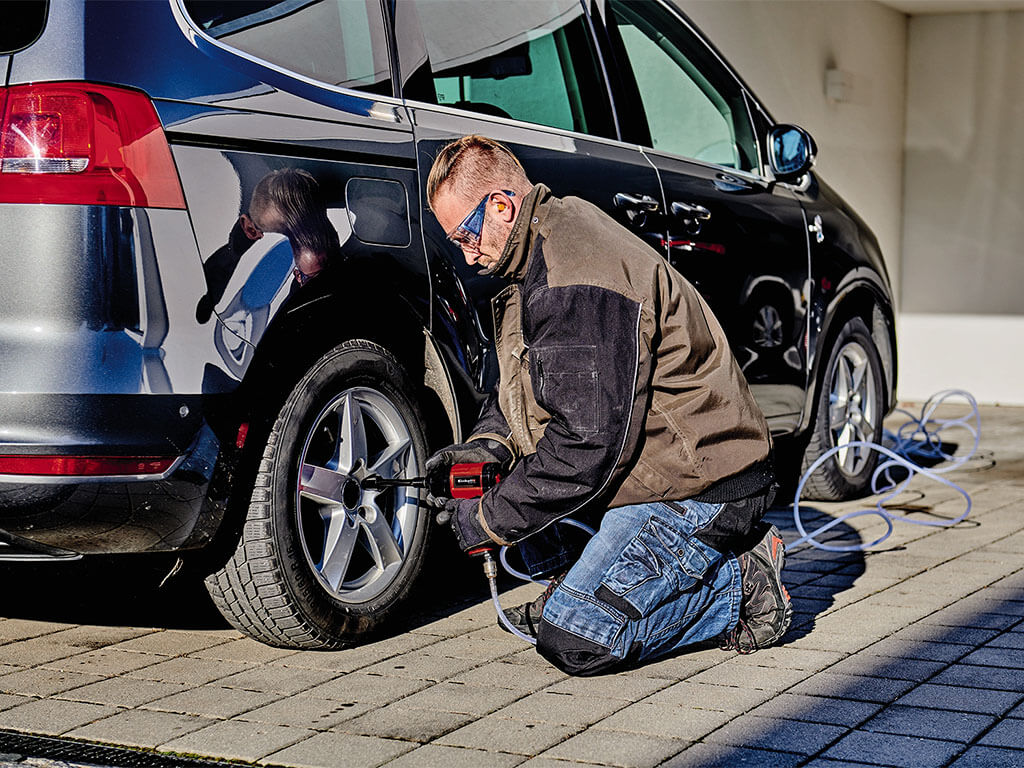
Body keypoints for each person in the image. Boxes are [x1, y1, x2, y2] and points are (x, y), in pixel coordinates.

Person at [426, 135, 791, 676]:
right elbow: (520, 392)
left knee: (575, 636)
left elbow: (586, 446)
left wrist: (487, 519)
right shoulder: (537, 251)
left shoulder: (575, 276)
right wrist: (485, 451)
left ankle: (741, 584)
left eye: (466, 235)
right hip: (651, 471)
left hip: (704, 486)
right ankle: (604, 582)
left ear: (501, 205)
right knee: (530, 537)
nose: (467, 253)